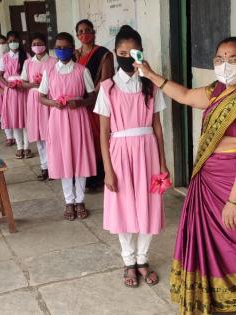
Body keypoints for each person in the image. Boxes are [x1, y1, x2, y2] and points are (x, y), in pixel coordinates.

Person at [135, 37, 236, 315]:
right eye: (219, 59)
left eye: (234, 59)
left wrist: (234, 201)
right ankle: (216, 296)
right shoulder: (217, 90)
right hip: (209, 180)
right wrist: (151, 75)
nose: (225, 65)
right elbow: (187, 96)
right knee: (214, 245)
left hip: (234, 185)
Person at [94, 25, 168, 288]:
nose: (127, 57)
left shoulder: (151, 84)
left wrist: (163, 162)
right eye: (122, 52)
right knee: (124, 206)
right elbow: (104, 132)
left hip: (147, 152)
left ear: (141, 54)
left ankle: (142, 259)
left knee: (148, 204)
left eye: (133, 52)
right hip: (120, 153)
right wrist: (108, 170)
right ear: (116, 53)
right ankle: (128, 260)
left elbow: (157, 127)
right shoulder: (108, 87)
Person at [38, 32, 96, 221]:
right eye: (58, 47)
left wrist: (79, 103)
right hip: (58, 119)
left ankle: (80, 200)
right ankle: (68, 201)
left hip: (78, 118)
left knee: (79, 157)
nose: (61, 50)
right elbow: (41, 97)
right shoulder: (50, 72)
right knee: (63, 159)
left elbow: (93, 96)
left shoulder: (81, 70)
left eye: (65, 47)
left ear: (73, 49)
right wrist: (54, 103)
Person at [75, 19, 115, 190]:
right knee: (82, 139)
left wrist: (90, 97)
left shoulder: (103, 54)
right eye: (81, 31)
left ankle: (99, 176)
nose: (85, 34)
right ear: (77, 35)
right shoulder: (74, 55)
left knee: (98, 137)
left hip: (97, 102)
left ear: (94, 32)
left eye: (88, 30)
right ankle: (84, 175)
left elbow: (105, 80)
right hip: (77, 103)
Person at [21, 33, 56, 180]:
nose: (37, 46)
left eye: (39, 43)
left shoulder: (54, 61)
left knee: (51, 134)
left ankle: (54, 166)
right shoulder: (28, 63)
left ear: (45, 45)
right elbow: (23, 82)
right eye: (34, 44)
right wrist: (33, 84)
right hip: (34, 99)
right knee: (40, 136)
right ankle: (44, 167)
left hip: (49, 98)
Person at [0, 31, 31, 158]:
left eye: (15, 40)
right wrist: (7, 84)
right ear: (7, 42)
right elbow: (0, 76)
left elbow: (30, 72)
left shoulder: (25, 55)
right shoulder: (4, 57)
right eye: (10, 41)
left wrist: (24, 83)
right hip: (11, 91)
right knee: (15, 119)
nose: (13, 43)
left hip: (23, 88)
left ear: (19, 41)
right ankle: (19, 146)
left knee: (25, 118)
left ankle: (27, 147)